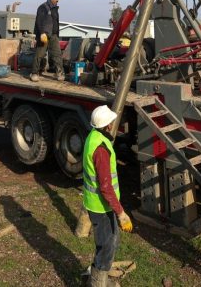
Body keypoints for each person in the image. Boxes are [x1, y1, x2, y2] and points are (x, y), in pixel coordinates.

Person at [83, 105, 133, 287]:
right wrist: (121, 213)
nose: (113, 123)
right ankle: (97, 283)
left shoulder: (93, 137)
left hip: (97, 203)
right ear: (107, 125)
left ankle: (99, 277)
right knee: (106, 245)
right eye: (111, 121)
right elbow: (105, 187)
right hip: (101, 205)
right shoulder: (101, 150)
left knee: (110, 241)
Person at [31, 0, 64, 82]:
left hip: (53, 36)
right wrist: (41, 33)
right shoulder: (43, 7)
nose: (57, 0)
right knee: (39, 54)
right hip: (44, 35)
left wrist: (57, 35)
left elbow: (55, 23)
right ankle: (34, 73)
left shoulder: (55, 9)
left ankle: (60, 74)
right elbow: (39, 21)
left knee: (57, 55)